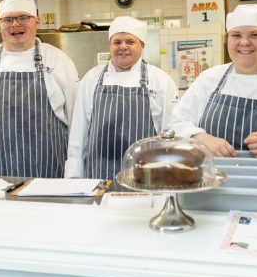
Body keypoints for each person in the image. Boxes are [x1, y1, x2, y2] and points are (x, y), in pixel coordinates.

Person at [0, 0, 79, 177]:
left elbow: (75, 118)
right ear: (0, 25)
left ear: (36, 21)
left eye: (23, 18)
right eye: (8, 20)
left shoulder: (59, 60)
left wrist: (74, 166)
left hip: (47, 165)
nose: (15, 25)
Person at [171, 4, 257, 158]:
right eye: (236, 35)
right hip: (210, 179)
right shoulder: (209, 79)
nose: (244, 42)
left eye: (255, 35)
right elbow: (177, 122)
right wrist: (201, 138)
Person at [65, 16, 179, 181]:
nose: (123, 47)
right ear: (110, 45)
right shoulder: (91, 79)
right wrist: (74, 178)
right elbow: (78, 134)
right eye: (117, 42)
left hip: (145, 179)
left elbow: (170, 134)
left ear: (142, 45)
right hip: (98, 177)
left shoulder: (160, 80)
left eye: (130, 42)